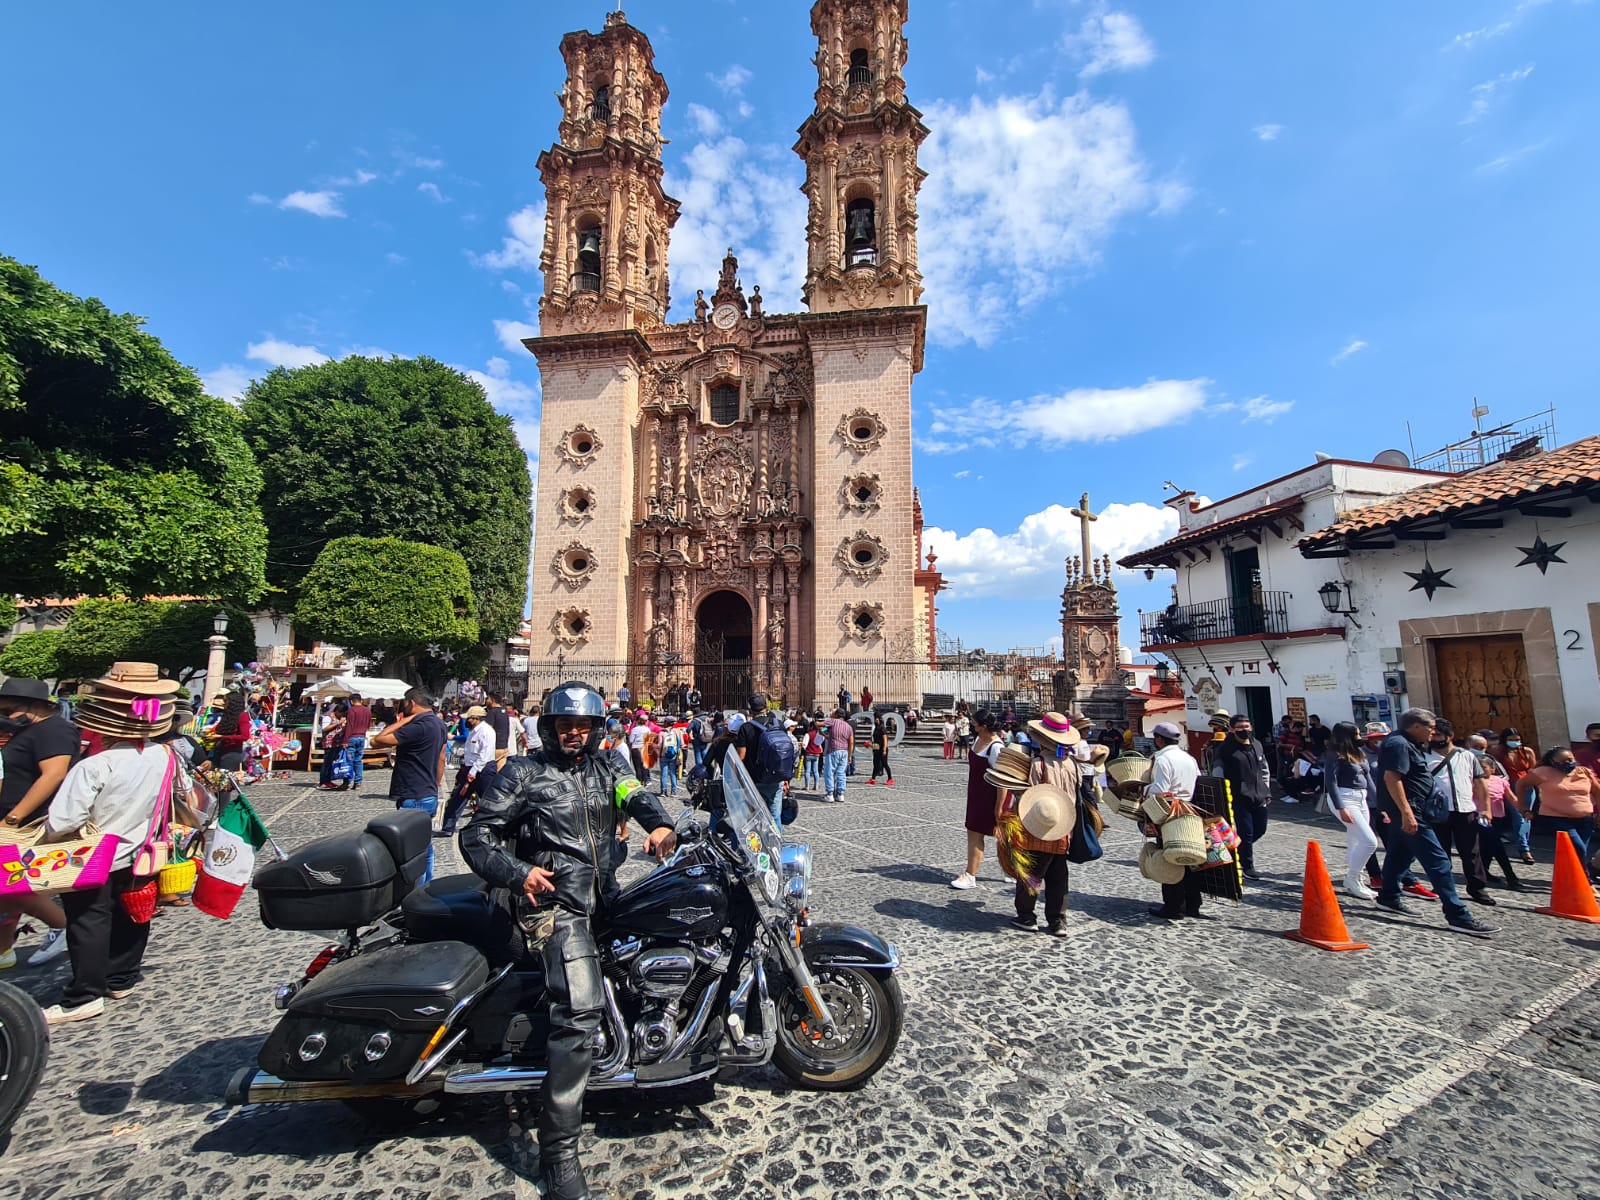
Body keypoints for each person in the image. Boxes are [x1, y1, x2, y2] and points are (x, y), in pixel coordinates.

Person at [461, 682, 675, 1200]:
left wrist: (663, 824)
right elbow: (477, 834)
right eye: (564, 726)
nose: (574, 734)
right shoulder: (523, 773)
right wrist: (518, 873)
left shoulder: (609, 769)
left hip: (607, 895)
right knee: (579, 1013)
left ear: (598, 730)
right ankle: (559, 1155)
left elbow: (637, 795)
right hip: (556, 908)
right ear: (548, 728)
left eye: (582, 726)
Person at [38, 662, 181, 1023]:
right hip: (142, 851)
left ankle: (84, 994)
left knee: (88, 921)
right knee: (135, 912)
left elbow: (63, 821)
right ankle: (122, 977)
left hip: (93, 855)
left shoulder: (95, 765)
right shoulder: (164, 756)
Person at [1375, 708, 1496, 937]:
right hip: (1412, 811)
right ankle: (1457, 915)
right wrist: (1407, 813)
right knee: (1439, 861)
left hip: (1413, 809)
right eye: (1430, 728)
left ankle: (1388, 896)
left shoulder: (1407, 741)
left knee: (1400, 856)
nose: (1433, 732)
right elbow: (1392, 778)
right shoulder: (1399, 744)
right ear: (1416, 726)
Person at [0, 678, 75, 969]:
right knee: (8, 889)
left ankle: (63, 925)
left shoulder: (53, 730)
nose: (5, 715)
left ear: (32, 707)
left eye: (10, 709)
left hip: (30, 819)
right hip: (14, 816)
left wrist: (13, 818)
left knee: (14, 885)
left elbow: (53, 775)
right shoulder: (26, 729)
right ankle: (4, 949)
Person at [371, 688, 448, 884]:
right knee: (425, 846)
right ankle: (426, 885)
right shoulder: (439, 724)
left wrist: (403, 721)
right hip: (428, 791)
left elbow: (376, 740)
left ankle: (415, 891)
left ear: (412, 703)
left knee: (411, 850)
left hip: (413, 792)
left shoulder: (418, 725)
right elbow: (441, 758)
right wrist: (436, 784)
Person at [1427, 719, 1493, 906]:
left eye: (1438, 735)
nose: (1434, 739)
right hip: (1438, 810)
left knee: (1471, 852)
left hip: (1465, 809)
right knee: (1440, 851)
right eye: (1432, 735)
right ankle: (1442, 886)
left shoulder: (1467, 756)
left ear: (1450, 736)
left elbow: (1480, 783)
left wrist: (1486, 808)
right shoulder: (1424, 756)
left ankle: (1477, 888)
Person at [1143, 722, 1204, 920]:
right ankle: (1193, 904)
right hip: (1189, 809)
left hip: (1170, 812)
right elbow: (1198, 780)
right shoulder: (1189, 758)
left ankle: (1174, 906)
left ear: (1159, 740)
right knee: (1189, 858)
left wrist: (1143, 790)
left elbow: (1161, 790)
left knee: (1170, 857)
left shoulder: (1163, 760)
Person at [1515, 745, 1600, 877]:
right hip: (1557, 818)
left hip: (1585, 819)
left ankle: (1570, 878)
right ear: (1553, 762)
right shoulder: (1542, 772)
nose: (1568, 763)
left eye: (1570, 759)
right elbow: (1521, 784)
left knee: (1577, 852)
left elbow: (1597, 792)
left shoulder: (1583, 772)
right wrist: (1523, 808)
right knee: (1578, 848)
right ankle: (1586, 879)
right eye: (1563, 761)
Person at [1321, 722, 1382, 899]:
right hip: (1345, 797)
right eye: (1356, 734)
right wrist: (1341, 807)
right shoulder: (1335, 755)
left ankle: (1356, 879)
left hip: (1361, 798)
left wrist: (1380, 804)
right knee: (1370, 841)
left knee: (1356, 841)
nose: (1359, 736)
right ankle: (1352, 878)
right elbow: (1330, 782)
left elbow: (1368, 779)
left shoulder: (1358, 753)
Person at [1212, 712, 1271, 880]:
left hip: (1259, 795)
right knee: (1246, 833)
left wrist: (1266, 789)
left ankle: (1237, 851)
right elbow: (1218, 772)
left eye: (1246, 726)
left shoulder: (1257, 745)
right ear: (1231, 729)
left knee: (1260, 829)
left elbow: (1264, 768)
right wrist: (1222, 794)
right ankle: (1247, 866)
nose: (1244, 730)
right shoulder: (1225, 749)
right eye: (1239, 727)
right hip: (1238, 797)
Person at [950, 709, 1003, 890]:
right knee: (973, 832)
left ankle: (1012, 870)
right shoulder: (978, 740)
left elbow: (1003, 781)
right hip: (976, 794)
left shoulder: (996, 747)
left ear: (984, 726)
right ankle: (970, 875)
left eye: (975, 723)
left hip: (991, 797)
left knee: (1002, 836)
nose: (972, 725)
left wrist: (999, 807)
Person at [733, 694, 790, 828]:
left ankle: (757, 846)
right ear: (766, 707)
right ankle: (776, 845)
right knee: (775, 815)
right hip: (776, 777)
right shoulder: (779, 725)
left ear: (750, 711)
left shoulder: (746, 728)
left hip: (754, 779)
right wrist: (785, 777)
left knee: (754, 817)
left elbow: (740, 757)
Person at [440, 706, 497, 836]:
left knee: (490, 801)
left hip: (484, 770)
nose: (466, 721)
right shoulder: (472, 731)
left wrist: (473, 771)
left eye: (469, 718)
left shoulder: (487, 731)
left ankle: (496, 827)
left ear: (476, 718)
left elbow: (485, 754)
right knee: (457, 798)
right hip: (468, 767)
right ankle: (448, 828)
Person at [1476, 753, 1528, 892]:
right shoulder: (1473, 781)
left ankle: (1484, 872)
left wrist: (1524, 810)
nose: (1481, 770)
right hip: (1481, 819)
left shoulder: (1500, 781)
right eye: (1478, 767)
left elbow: (1511, 798)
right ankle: (1511, 878)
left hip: (1498, 818)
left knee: (1487, 849)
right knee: (1498, 848)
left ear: (1492, 769)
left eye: (1484, 767)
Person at [1493, 727, 1537, 863]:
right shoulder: (1498, 752)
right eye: (1511, 740)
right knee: (1518, 816)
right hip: (1510, 786)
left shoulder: (1526, 751)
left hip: (1527, 787)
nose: (1515, 742)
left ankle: (1524, 844)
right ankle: (1524, 849)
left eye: (1517, 740)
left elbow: (1533, 769)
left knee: (1526, 816)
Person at [821, 708, 853, 805]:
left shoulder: (833, 722)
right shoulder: (848, 726)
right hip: (844, 751)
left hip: (834, 750)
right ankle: (840, 794)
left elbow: (821, 726)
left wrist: (824, 733)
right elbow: (851, 742)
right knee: (841, 773)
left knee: (829, 772)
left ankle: (830, 794)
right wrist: (850, 755)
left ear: (836, 715)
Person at [316, 700, 348, 791]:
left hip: (337, 743)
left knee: (331, 763)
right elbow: (324, 729)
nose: (342, 716)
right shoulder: (328, 717)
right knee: (327, 763)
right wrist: (338, 723)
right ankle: (323, 781)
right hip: (329, 744)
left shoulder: (339, 718)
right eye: (341, 713)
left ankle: (328, 780)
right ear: (337, 711)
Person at [344, 693, 372, 792]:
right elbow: (369, 724)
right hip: (362, 736)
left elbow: (349, 725)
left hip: (352, 737)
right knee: (358, 760)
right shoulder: (367, 710)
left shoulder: (352, 710)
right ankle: (358, 782)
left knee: (349, 760)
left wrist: (345, 740)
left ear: (351, 701)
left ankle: (347, 782)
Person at [485, 693, 512, 771]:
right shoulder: (505, 712)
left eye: (488, 699)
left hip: (495, 747)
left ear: (493, 700)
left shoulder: (492, 712)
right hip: (504, 746)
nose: (486, 701)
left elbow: (488, 729)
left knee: (489, 771)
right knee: (500, 771)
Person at [658, 718, 682, 797]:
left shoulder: (661, 733)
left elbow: (660, 745)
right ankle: (673, 791)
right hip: (674, 755)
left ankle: (663, 791)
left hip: (663, 755)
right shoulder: (677, 731)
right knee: (673, 773)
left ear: (666, 723)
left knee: (664, 773)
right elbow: (680, 743)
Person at [867, 716, 894, 786]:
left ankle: (890, 779)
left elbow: (885, 739)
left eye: (877, 719)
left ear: (880, 720)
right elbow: (875, 740)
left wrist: (884, 749)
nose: (876, 720)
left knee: (885, 764)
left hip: (882, 749)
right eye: (875, 719)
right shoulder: (876, 728)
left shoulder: (882, 728)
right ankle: (873, 779)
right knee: (875, 764)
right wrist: (869, 745)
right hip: (876, 748)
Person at [802, 719, 825, 791]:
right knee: (816, 771)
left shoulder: (808, 734)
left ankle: (807, 786)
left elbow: (804, 745)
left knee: (807, 771)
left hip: (809, 753)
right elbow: (820, 743)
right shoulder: (819, 734)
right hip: (817, 754)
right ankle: (816, 786)